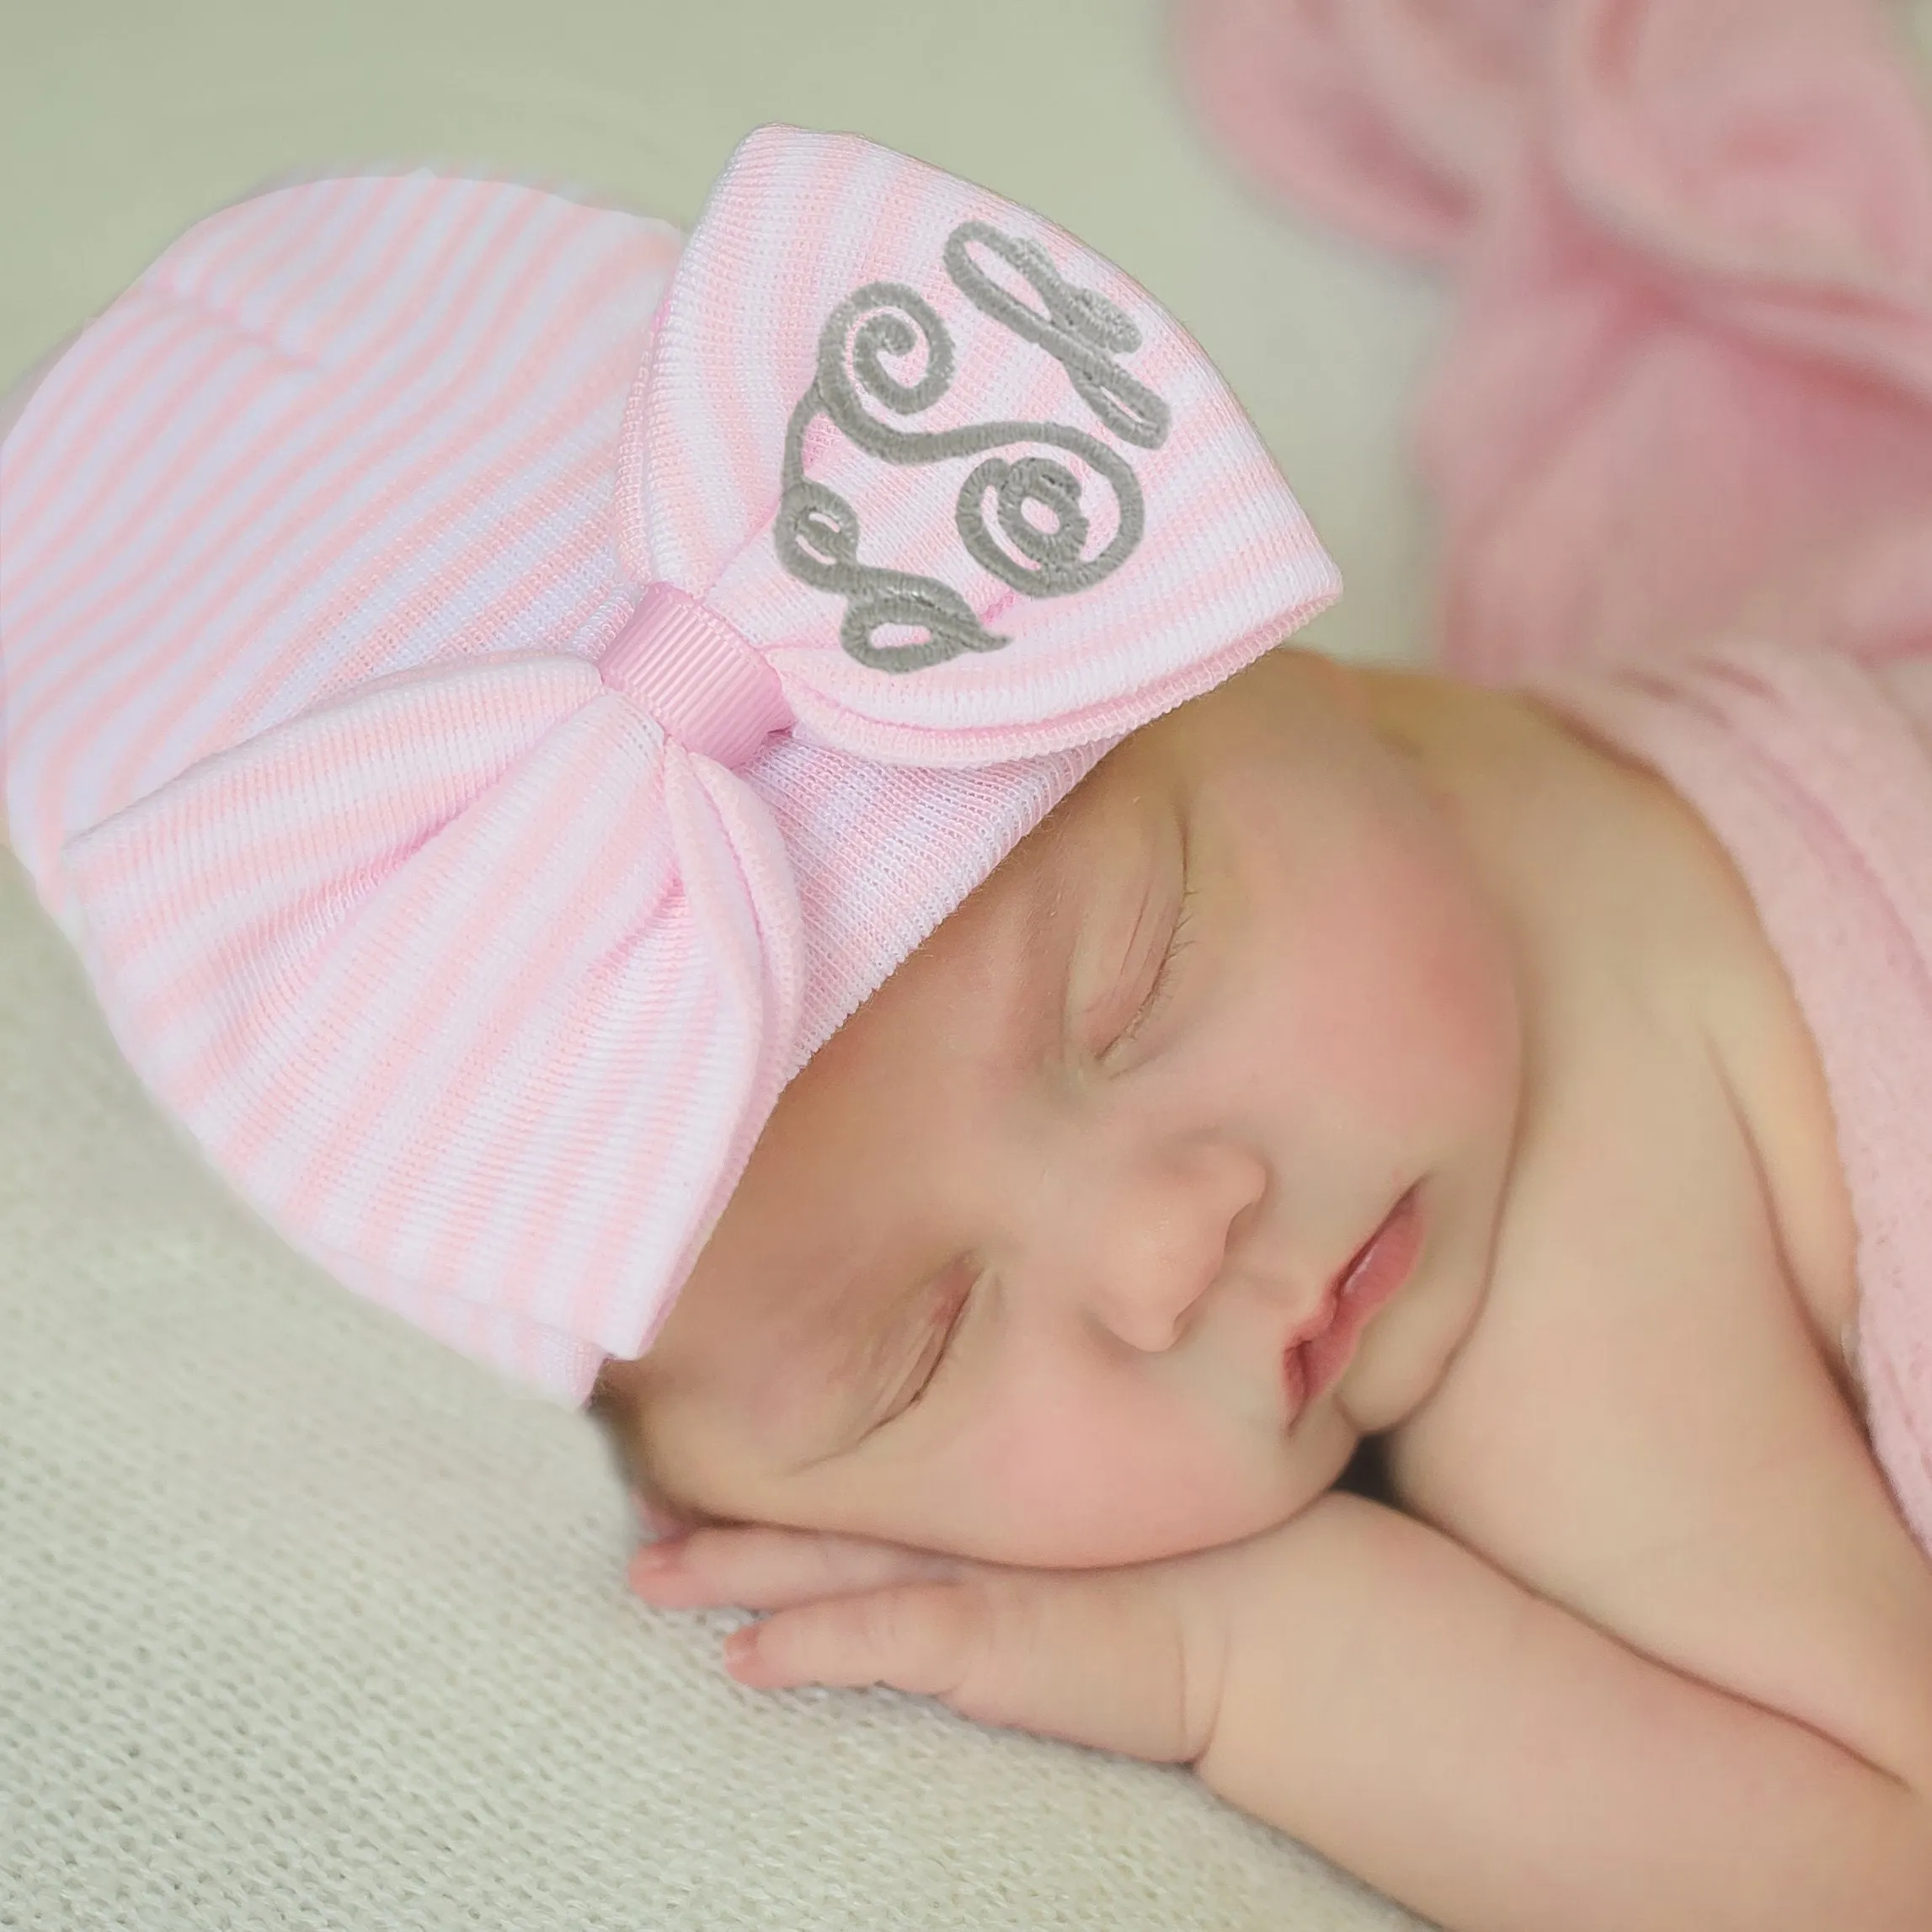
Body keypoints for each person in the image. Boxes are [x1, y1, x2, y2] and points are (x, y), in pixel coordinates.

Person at [5, 82, 1932, 1932]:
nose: (1174, 1247)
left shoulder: (1583, 1317)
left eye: (1137, 976)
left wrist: (1241, 1662)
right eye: (918, 1350)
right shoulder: (1368, 787)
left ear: (1268, 645)